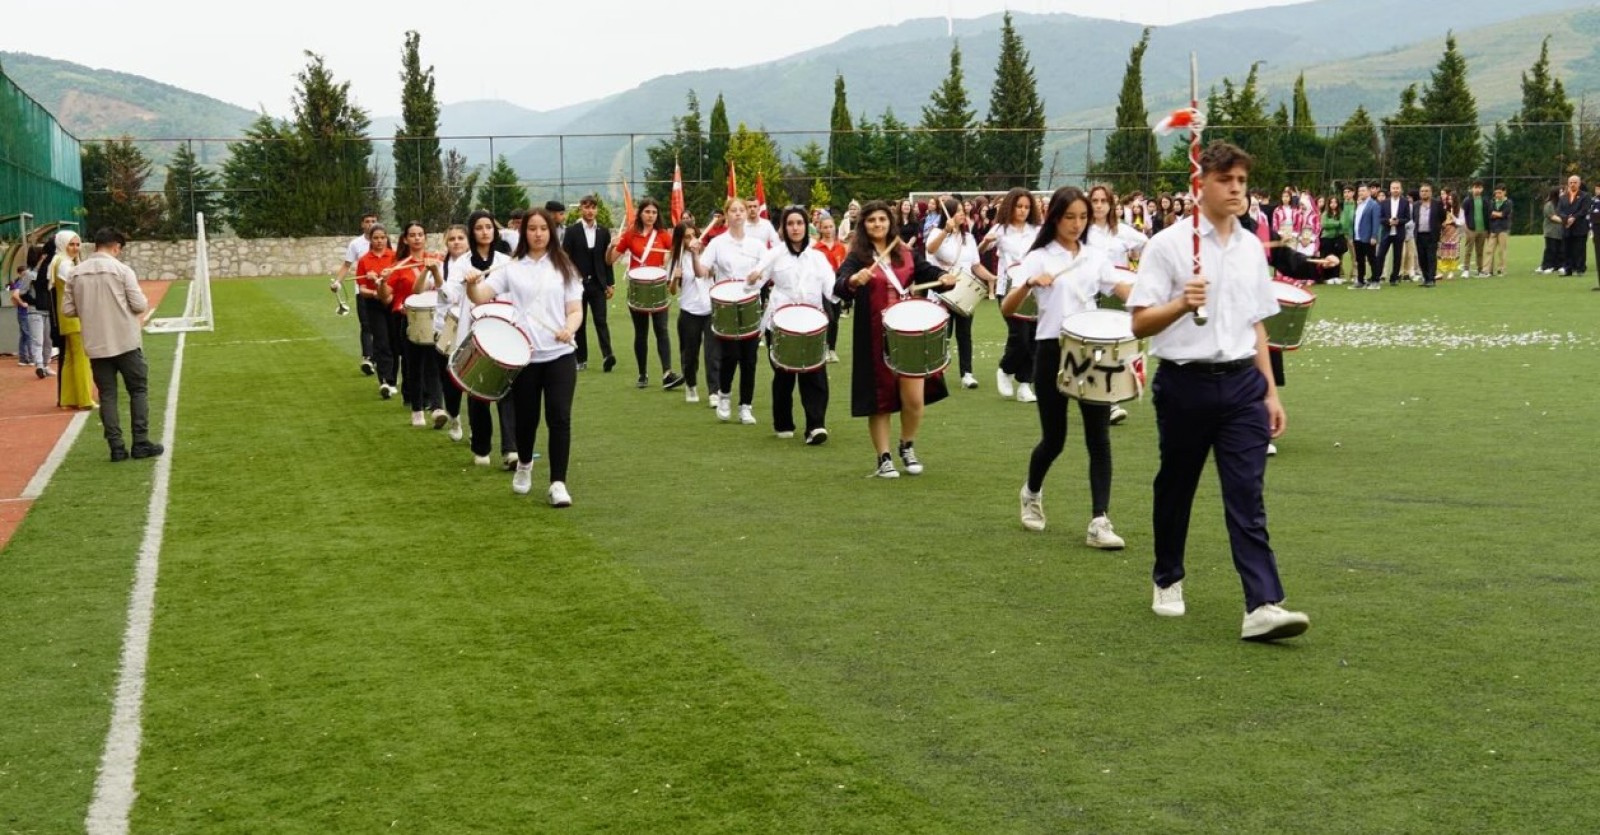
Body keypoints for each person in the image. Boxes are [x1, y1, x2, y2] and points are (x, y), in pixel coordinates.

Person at [1127, 140, 1309, 642]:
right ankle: (1167, 576)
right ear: (1200, 183)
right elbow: (1141, 322)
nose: (1236, 189)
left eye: (1242, 182)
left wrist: (1270, 393)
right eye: (1226, 180)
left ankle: (1263, 603)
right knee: (1177, 485)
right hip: (1184, 383)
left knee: (1246, 494)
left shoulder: (1251, 246)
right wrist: (1183, 303)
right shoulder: (1167, 245)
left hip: (1242, 386)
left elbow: (1256, 325)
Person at [1005, 186, 1132, 549]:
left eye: (1082, 217)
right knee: (1055, 439)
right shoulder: (1038, 257)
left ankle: (1100, 521)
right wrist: (1029, 282)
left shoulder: (1094, 257)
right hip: (1051, 350)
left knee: (1099, 438)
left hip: (1092, 351)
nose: (1077, 224)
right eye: (1069, 217)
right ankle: (1031, 492)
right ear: (1055, 218)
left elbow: (1122, 289)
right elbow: (1007, 308)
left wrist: (1153, 298)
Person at [466, 207, 582, 506]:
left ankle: (558, 483)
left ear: (551, 232)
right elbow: (480, 297)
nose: (539, 233)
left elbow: (575, 309)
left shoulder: (565, 266)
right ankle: (525, 465)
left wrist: (569, 328)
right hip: (525, 356)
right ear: (523, 232)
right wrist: (470, 283)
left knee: (559, 418)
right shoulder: (512, 268)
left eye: (544, 228)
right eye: (532, 229)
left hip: (560, 355)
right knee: (526, 419)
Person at [833, 200, 955, 478]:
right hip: (873, 335)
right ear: (864, 225)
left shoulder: (905, 252)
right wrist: (853, 280)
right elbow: (839, 285)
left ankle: (907, 445)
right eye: (871, 220)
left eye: (882, 219)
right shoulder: (857, 257)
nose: (877, 224)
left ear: (890, 222)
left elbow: (928, 272)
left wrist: (944, 276)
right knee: (880, 400)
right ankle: (883, 457)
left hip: (908, 333)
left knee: (914, 399)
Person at [61, 228, 159, 461]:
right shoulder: (122, 270)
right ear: (116, 247)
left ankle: (116, 446)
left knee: (107, 394)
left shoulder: (76, 273)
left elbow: (68, 309)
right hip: (125, 340)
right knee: (137, 390)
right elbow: (138, 304)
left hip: (96, 343)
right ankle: (140, 441)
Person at [751, 206, 835, 444]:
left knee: (815, 374)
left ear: (806, 226)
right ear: (784, 228)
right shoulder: (774, 254)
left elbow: (832, 288)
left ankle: (816, 426)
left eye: (799, 223)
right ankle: (783, 422)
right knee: (783, 374)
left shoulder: (818, 257)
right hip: (780, 322)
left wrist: (849, 286)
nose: (795, 228)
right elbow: (756, 279)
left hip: (812, 323)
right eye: (790, 224)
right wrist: (751, 281)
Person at [444, 210, 520, 468]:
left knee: (507, 390)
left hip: (504, 329)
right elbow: (450, 295)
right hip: (476, 333)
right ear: (472, 232)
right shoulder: (462, 263)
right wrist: (465, 283)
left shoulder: (505, 260)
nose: (485, 231)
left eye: (489, 227)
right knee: (478, 392)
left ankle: (510, 449)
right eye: (479, 228)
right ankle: (481, 449)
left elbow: (517, 290)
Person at [688, 197, 767, 425]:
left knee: (750, 359)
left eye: (741, 210)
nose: (739, 214)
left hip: (750, 303)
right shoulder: (717, 243)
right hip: (725, 306)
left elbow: (767, 270)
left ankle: (746, 407)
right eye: (733, 210)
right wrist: (694, 254)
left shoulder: (757, 245)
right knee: (730, 356)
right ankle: (724, 395)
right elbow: (702, 272)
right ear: (726, 214)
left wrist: (759, 277)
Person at [608, 197, 684, 390]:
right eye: (647, 212)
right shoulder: (629, 235)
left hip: (658, 287)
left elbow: (675, 252)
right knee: (641, 333)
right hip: (638, 288)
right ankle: (642, 374)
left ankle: (667, 373)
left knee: (662, 331)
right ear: (640, 214)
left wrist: (669, 258)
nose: (651, 216)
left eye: (654, 212)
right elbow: (610, 261)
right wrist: (611, 245)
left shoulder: (663, 235)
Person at [924, 197, 996, 391]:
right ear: (948, 214)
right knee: (942, 335)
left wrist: (993, 278)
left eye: (963, 211)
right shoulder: (937, 233)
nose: (962, 214)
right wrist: (946, 231)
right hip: (942, 291)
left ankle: (967, 374)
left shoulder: (969, 238)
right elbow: (930, 249)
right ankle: (937, 372)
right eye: (957, 211)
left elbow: (976, 265)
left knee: (965, 334)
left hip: (964, 291)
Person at [381, 221, 444, 425]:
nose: (417, 238)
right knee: (413, 366)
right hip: (407, 318)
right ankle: (416, 409)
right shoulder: (398, 266)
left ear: (425, 237)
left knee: (435, 365)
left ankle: (436, 408)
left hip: (434, 319)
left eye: (420, 234)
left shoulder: (437, 260)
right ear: (406, 239)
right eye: (413, 235)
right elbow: (385, 297)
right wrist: (381, 282)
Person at [982, 187, 1041, 402]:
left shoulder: (1037, 230)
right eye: (1019, 206)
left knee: (1034, 338)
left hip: (1035, 289)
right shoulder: (1000, 229)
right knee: (1020, 337)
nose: (1023, 210)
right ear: (1010, 206)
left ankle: (1025, 385)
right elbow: (980, 251)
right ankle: (1005, 370)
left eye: (1027, 207)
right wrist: (986, 241)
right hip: (1009, 288)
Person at [671, 213, 720, 405]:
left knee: (713, 353)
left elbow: (706, 274)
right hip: (689, 311)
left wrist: (696, 255)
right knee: (690, 354)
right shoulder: (675, 259)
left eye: (693, 235)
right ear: (680, 239)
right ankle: (690, 384)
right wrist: (675, 277)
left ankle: (714, 391)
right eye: (686, 237)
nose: (691, 240)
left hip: (709, 309)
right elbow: (673, 291)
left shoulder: (707, 253)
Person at [563, 195, 615, 372]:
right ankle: (581, 359)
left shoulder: (603, 232)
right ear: (580, 209)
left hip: (598, 284)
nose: (590, 211)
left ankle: (608, 355)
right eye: (586, 207)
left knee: (601, 320)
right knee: (580, 322)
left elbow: (607, 261)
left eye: (593, 207)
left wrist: (610, 283)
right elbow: (565, 258)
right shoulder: (572, 231)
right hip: (577, 285)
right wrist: (571, 278)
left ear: (597, 210)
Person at [50, 230, 95, 409]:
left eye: (77, 244)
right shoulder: (64, 264)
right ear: (62, 244)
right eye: (71, 244)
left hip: (67, 316)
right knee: (81, 358)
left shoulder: (59, 261)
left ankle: (68, 399)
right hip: (74, 316)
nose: (75, 248)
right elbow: (78, 284)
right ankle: (84, 399)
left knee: (70, 357)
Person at [355, 225, 400, 399]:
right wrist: (375, 291)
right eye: (376, 238)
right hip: (374, 306)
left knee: (395, 343)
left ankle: (393, 380)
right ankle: (385, 381)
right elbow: (362, 289)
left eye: (382, 237)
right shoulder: (365, 260)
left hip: (393, 303)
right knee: (382, 343)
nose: (379, 241)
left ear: (386, 238)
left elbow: (400, 283)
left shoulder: (395, 257)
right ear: (371, 240)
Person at [333, 211, 378, 375]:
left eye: (373, 221)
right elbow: (347, 265)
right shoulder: (356, 244)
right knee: (366, 325)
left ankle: (378, 357)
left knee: (381, 327)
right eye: (367, 221)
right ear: (362, 224)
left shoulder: (383, 242)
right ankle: (367, 358)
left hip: (381, 291)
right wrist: (338, 282)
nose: (370, 224)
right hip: (362, 291)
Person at [812, 212, 847, 364]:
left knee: (836, 320)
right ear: (820, 229)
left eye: (831, 227)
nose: (828, 230)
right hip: (821, 288)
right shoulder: (816, 248)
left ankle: (832, 349)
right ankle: (824, 348)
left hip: (836, 288)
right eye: (825, 227)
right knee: (828, 318)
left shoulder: (841, 247)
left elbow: (844, 266)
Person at [25, 244, 55, 378]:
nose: (44, 256)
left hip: (47, 312)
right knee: (38, 340)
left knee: (48, 340)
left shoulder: (46, 273)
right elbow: (22, 293)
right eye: (41, 254)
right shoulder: (28, 274)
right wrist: (35, 302)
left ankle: (46, 364)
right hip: (34, 312)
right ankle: (39, 365)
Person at [1377, 180, 1411, 285]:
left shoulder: (1405, 202)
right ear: (1390, 189)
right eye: (1393, 188)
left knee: (1397, 256)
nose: (1395, 190)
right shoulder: (1384, 203)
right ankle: (1376, 276)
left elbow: (1407, 218)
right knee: (1380, 255)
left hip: (1399, 233)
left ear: (1400, 189)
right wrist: (1388, 221)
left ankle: (1394, 278)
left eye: (1397, 188)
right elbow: (1380, 218)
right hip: (1386, 232)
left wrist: (1398, 222)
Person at [1557, 175, 1591, 277]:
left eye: (1575, 182)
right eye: (1571, 182)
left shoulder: (1585, 196)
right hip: (1567, 227)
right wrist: (1566, 218)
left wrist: (1574, 217)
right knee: (1567, 249)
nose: (1572, 184)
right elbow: (1559, 210)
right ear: (1568, 184)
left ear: (1579, 184)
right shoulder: (1563, 197)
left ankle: (1580, 269)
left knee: (1579, 249)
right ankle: (1568, 269)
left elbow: (1584, 210)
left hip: (1580, 227)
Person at [1413, 183, 1444, 287]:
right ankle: (1425, 278)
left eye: (1426, 191)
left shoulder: (1437, 204)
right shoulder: (1416, 205)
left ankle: (1431, 279)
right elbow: (1414, 218)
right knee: (1422, 258)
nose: (1424, 193)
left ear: (1430, 192)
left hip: (1431, 235)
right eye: (1422, 191)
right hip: (1419, 235)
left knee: (1431, 258)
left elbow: (1442, 217)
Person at [1352, 183, 1382, 289]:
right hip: (1357, 237)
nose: (1361, 193)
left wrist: (1374, 236)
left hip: (1368, 237)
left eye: (1363, 191)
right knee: (1360, 260)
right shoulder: (1359, 204)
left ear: (1369, 192)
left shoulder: (1374, 205)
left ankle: (1375, 280)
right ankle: (1360, 281)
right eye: (1359, 191)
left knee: (1372, 259)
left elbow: (1376, 222)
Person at [1459, 181, 1489, 277]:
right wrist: (1465, 228)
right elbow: (1462, 215)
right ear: (1472, 188)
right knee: (1468, 250)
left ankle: (1480, 270)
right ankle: (1466, 270)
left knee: (1480, 251)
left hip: (1482, 229)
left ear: (1482, 189)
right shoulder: (1467, 200)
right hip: (1471, 229)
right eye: (1475, 187)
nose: (1477, 189)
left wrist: (1488, 229)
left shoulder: (1485, 200)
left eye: (1479, 187)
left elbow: (1487, 215)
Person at [1318, 194, 1347, 283]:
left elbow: (1343, 224)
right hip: (1326, 238)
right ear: (1329, 204)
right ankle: (1326, 277)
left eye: (1335, 202)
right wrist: (1336, 223)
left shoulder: (1341, 213)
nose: (1333, 204)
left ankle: (1335, 276)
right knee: (1326, 257)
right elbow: (1324, 224)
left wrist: (1333, 224)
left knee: (1336, 257)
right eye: (1331, 202)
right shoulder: (1325, 213)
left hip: (1337, 238)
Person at [10, 265, 35, 367]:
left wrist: (18, 303)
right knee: (28, 335)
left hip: (22, 312)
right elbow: (14, 296)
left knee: (24, 335)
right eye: (24, 273)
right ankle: (30, 358)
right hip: (24, 312)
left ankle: (23, 359)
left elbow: (13, 298)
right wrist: (22, 303)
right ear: (20, 273)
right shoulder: (21, 283)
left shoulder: (18, 283)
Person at [1539, 187, 1565, 275]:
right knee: (1551, 249)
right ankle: (1547, 266)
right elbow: (1552, 217)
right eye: (1561, 192)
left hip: (1560, 232)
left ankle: (1559, 266)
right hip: (1551, 232)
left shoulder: (1562, 204)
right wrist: (1565, 221)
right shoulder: (1549, 205)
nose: (1562, 194)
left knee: (1560, 249)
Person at [1438, 190, 1461, 279]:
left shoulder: (1459, 210)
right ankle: (1441, 271)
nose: (1450, 201)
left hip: (1453, 232)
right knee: (1443, 251)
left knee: (1452, 251)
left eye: (1452, 199)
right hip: (1444, 232)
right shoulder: (1444, 208)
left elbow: (1461, 222)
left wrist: (1453, 217)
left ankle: (1451, 271)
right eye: (1449, 199)